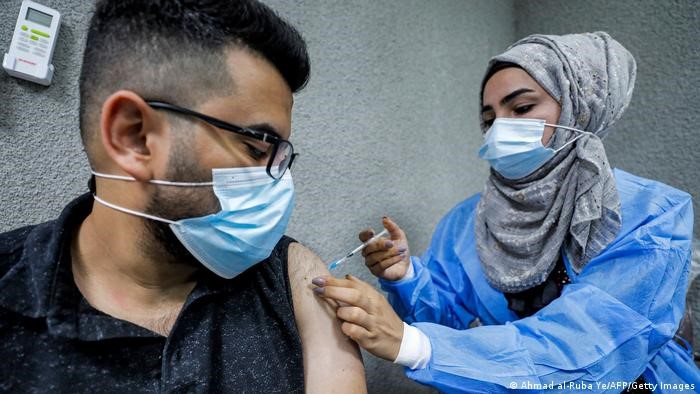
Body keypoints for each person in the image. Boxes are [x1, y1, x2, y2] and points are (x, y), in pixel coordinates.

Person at [0, 1, 366, 392]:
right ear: (134, 137)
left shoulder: (290, 277)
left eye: (280, 158)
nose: (279, 183)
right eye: (257, 150)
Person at [312, 32, 698, 392]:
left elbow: (595, 352)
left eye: (522, 107)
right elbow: (446, 319)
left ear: (578, 110)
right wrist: (405, 276)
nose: (500, 129)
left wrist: (418, 346)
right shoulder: (470, 221)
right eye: (489, 119)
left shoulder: (652, 216)